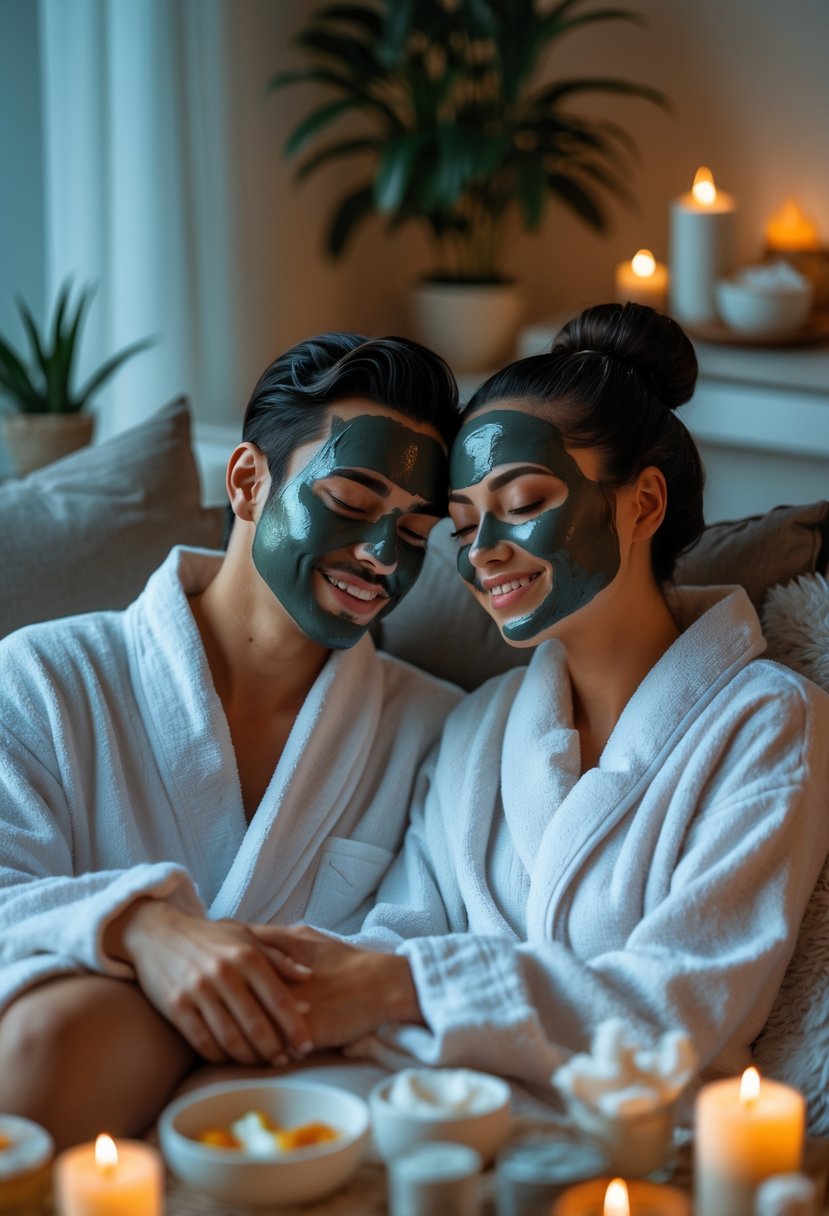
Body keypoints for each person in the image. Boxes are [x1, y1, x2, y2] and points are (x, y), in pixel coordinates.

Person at [263, 303, 829, 1108]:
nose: (483, 551)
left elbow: (678, 1009)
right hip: (440, 1122)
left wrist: (402, 988)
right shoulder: (477, 727)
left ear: (642, 504)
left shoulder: (769, 724)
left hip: (636, 1153)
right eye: (461, 525)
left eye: (523, 502)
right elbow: (396, 936)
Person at [0, 332, 463, 1146]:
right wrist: (143, 929)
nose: (382, 556)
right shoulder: (44, 678)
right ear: (248, 481)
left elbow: (418, 955)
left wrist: (168, 994)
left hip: (298, 1119)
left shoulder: (431, 729)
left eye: (416, 534)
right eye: (352, 504)